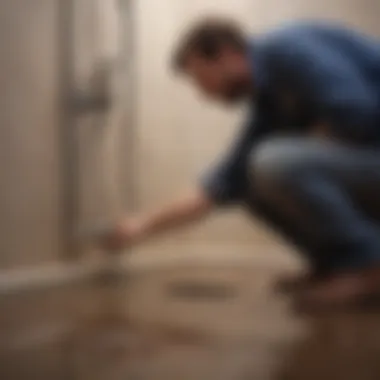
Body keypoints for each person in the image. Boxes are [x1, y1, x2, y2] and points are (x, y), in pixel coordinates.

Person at [101, 19, 380, 310]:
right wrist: (141, 227)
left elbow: (357, 113)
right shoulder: (270, 97)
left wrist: (307, 142)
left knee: (276, 161)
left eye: (200, 79)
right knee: (250, 177)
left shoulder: (288, 51)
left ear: (227, 55)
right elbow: (225, 182)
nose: (203, 94)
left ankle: (370, 266)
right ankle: (337, 267)